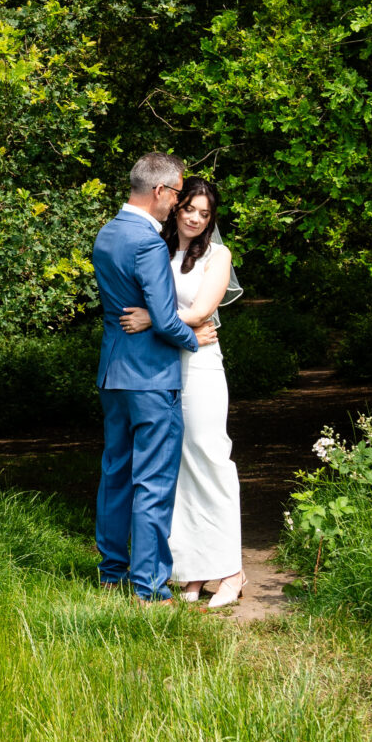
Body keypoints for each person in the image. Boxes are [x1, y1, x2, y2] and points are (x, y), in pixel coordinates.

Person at [90, 153, 210, 600]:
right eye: (177, 194)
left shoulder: (107, 233)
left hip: (113, 375)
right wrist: (198, 337)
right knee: (153, 481)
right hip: (151, 378)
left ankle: (111, 573)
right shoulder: (148, 242)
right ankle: (149, 588)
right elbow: (163, 317)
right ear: (160, 191)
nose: (177, 204)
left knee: (116, 474)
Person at [121, 177, 244, 607]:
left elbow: (201, 311)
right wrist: (165, 320)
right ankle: (192, 572)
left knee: (211, 458)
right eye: (189, 208)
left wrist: (152, 319)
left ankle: (232, 570)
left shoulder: (218, 255)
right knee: (179, 469)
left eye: (204, 213)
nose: (194, 217)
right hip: (163, 366)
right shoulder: (159, 247)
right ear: (176, 208)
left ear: (212, 219)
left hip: (202, 367)